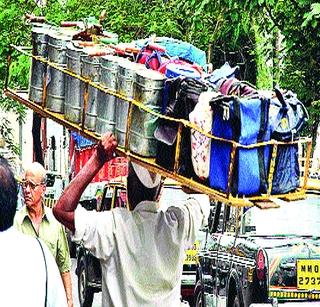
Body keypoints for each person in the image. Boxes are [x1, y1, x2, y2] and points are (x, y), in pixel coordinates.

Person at [53, 132, 209, 307]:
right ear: (159, 192)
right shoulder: (178, 225)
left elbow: (62, 210)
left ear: (128, 188)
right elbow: (202, 193)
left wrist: (98, 159)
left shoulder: (114, 226)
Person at [0, 156, 67, 307]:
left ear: (43, 189)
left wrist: (69, 299)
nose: (27, 190)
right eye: (24, 185)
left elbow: (64, 266)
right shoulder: (16, 221)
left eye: (32, 185)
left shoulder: (55, 223)